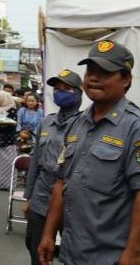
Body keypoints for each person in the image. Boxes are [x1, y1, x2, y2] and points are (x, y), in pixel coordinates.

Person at [38, 40, 140, 265]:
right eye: (90, 71)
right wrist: (48, 234)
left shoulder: (138, 126)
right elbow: (60, 183)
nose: (94, 78)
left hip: (111, 255)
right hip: (72, 250)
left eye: (104, 73)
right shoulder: (76, 124)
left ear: (125, 79)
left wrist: (133, 253)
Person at [23, 69, 83, 265]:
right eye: (57, 89)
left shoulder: (86, 125)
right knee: (36, 250)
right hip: (41, 197)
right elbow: (35, 163)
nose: (60, 92)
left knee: (72, 255)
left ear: (79, 93)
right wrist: (29, 197)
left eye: (67, 88)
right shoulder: (46, 122)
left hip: (72, 200)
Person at [0, 90, 19, 189]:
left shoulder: (12, 110)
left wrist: (1, 124)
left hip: (7, 139)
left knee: (8, 161)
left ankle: (7, 184)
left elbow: (13, 124)